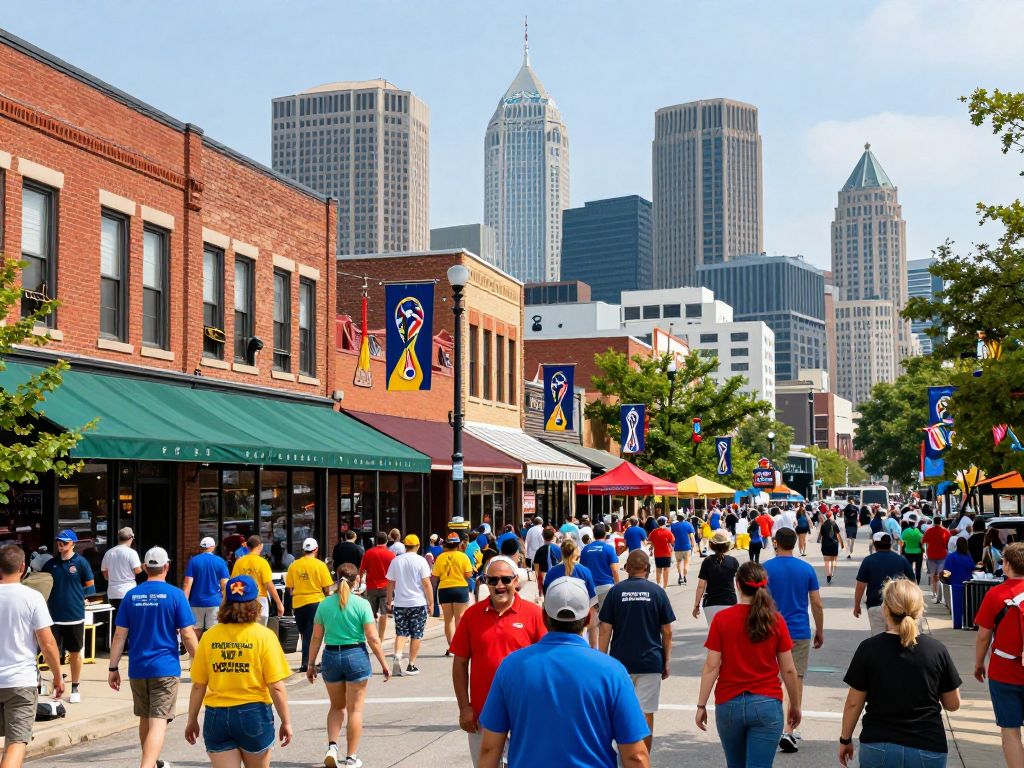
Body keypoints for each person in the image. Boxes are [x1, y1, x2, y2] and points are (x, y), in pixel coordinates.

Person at [477, 576, 651, 768]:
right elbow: (636, 755)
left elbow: (490, 748)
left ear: (544, 616)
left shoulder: (511, 667)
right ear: (588, 618)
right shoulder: (612, 671)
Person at [839, 579, 962, 768]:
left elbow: (854, 702)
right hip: (928, 745)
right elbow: (953, 704)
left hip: (878, 743)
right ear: (920, 610)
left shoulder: (869, 649)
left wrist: (845, 739)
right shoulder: (937, 650)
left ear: (885, 610)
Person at [695, 561, 802, 768]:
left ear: (737, 584)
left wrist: (701, 705)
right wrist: (795, 706)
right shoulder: (775, 620)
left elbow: (711, 667)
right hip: (767, 703)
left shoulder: (722, 619)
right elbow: (788, 669)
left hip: (729, 703)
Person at [185, 575, 293, 766]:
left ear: (225, 602)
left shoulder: (209, 637)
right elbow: (276, 686)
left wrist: (191, 719)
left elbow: (198, 685)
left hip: (216, 716)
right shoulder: (264, 636)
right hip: (254, 713)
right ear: (255, 604)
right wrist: (286, 722)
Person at [451, 555, 546, 767]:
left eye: (505, 579)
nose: (499, 585)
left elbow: (547, 663)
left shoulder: (534, 614)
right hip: (482, 714)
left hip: (525, 714)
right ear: (486, 582)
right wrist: (464, 707)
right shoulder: (471, 615)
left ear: (516, 581)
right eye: (493, 580)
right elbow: (459, 663)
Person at [109, 546, 198, 768]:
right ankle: (147, 765)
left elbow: (120, 635)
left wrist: (113, 667)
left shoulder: (131, 596)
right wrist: (199, 662)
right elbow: (187, 634)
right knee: (159, 721)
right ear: (166, 566)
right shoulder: (175, 595)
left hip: (138, 667)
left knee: (145, 717)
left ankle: (151, 761)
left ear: (146, 567)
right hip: (165, 667)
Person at [306, 563, 390, 768]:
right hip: (356, 655)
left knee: (336, 706)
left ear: (336, 578)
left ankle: (332, 747)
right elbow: (373, 638)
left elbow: (316, 638)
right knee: (355, 710)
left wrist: (310, 664)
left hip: (332, 655)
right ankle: (351, 757)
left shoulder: (324, 604)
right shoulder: (361, 604)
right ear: (357, 581)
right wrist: (384, 664)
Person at [599, 550, 675, 752]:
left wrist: (601, 660)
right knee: (646, 714)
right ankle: (642, 759)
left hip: (619, 663)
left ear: (627, 569)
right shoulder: (657, 592)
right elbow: (667, 631)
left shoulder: (616, 592)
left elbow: (605, 628)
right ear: (648, 569)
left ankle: (620, 756)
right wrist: (666, 660)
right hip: (650, 662)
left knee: (619, 712)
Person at [0, 544, 63, 768]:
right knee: (16, 741)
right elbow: (47, 643)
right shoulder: (32, 597)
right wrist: (58, 676)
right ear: (23, 567)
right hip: (20, 681)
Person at [764, 528, 824, 754]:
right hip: (798, 630)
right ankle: (789, 729)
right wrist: (819, 629)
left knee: (771, 679)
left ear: (776, 543)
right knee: (796, 677)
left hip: (770, 629)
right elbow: (816, 603)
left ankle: (772, 726)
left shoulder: (766, 569)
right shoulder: (806, 569)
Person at [975, 541, 1024, 767]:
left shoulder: (995, 594)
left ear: (1006, 565)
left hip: (1004, 671)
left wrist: (979, 663)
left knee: (1010, 730)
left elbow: (984, 635)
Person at [42, 529, 95, 703]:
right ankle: (58, 681)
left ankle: (75, 686)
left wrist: (84, 599)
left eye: (64, 542)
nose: (60, 544)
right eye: (59, 541)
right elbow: (42, 585)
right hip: (53, 615)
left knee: (75, 652)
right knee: (52, 652)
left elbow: (90, 585)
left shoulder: (81, 563)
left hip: (74, 615)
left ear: (73, 543)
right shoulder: (51, 564)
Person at [386, 534, 433, 676]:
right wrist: (431, 602)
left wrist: (389, 600)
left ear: (405, 546)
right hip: (418, 602)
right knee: (416, 634)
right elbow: (426, 583)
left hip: (400, 603)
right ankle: (411, 664)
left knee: (401, 632)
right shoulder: (421, 561)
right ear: (418, 546)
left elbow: (390, 583)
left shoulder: (396, 561)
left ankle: (397, 656)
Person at [285, 538, 334, 673]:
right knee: (311, 634)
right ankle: (308, 663)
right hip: (316, 602)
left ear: (303, 550)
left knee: (304, 634)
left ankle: (306, 662)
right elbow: (327, 588)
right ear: (316, 549)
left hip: (299, 603)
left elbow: (290, 588)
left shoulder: (294, 565)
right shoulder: (320, 565)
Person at [854, 532, 915, 635]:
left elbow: (861, 585)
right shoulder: (901, 560)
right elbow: (912, 584)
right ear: (890, 543)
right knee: (897, 638)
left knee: (878, 640)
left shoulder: (868, 561)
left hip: (875, 605)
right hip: (898, 606)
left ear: (875, 544)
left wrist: (857, 605)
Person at [544, 538, 599, 647]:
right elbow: (592, 601)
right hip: (579, 619)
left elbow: (547, 597)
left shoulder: (552, 572)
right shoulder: (585, 571)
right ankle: (594, 651)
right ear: (576, 552)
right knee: (594, 627)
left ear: (561, 551)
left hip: (556, 618)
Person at [432, 532, 475, 654]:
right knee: (459, 618)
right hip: (460, 588)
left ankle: (451, 646)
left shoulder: (440, 557)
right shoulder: (463, 557)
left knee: (448, 620)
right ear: (458, 544)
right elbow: (468, 575)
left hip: (444, 589)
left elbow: (434, 577)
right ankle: (459, 645)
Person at [232, 536, 285, 626]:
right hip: (260, 600)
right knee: (260, 630)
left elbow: (234, 584)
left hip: (243, 600)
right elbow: (269, 584)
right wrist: (279, 604)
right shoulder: (262, 562)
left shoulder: (239, 562)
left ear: (248, 546)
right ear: (260, 546)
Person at [183, 537, 230, 640]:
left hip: (196, 602)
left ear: (201, 547)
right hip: (215, 602)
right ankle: (211, 654)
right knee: (213, 631)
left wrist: (184, 602)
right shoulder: (220, 561)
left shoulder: (193, 561)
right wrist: (226, 601)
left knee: (196, 629)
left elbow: (187, 584)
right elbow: (224, 585)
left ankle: (194, 654)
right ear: (213, 547)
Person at [692, 530, 739, 626]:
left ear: (712, 546)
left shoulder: (707, 561)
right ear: (726, 546)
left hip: (711, 603)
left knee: (714, 634)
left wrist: (697, 605)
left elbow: (701, 586)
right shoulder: (733, 561)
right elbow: (740, 584)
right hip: (729, 601)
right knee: (728, 633)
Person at [358, 532, 396, 641]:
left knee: (371, 613)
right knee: (384, 612)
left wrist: (361, 583)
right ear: (387, 541)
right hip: (386, 587)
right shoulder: (391, 555)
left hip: (372, 586)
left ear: (375, 541)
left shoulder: (368, 553)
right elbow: (394, 572)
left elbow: (362, 570)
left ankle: (372, 635)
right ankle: (381, 637)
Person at [100, 527, 142, 616]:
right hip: (128, 590)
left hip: (112, 592)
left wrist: (112, 577)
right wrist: (143, 567)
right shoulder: (131, 553)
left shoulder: (109, 553)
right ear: (131, 538)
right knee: (129, 620)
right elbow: (138, 571)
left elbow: (104, 573)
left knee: (116, 620)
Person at [579, 524, 620, 612]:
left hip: (590, 588)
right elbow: (615, 570)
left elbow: (582, 569)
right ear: (605, 534)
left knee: (593, 619)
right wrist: (617, 586)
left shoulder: (585, 549)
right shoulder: (609, 548)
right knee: (606, 617)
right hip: (606, 586)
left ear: (593, 535)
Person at [943, 538, 976, 630]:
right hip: (967, 584)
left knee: (956, 607)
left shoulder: (951, 556)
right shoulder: (968, 556)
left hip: (955, 584)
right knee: (967, 606)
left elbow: (946, 571)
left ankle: (957, 625)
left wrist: (947, 581)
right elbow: (972, 567)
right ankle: (968, 624)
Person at [921, 517, 951, 603]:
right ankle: (939, 594)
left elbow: (923, 541)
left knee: (932, 575)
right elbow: (947, 544)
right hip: (942, 555)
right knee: (940, 576)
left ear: (934, 522)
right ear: (940, 522)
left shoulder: (929, 531)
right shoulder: (945, 531)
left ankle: (934, 593)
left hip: (931, 555)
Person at [532, 526, 560, 600]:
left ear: (543, 537)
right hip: (556, 575)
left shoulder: (539, 550)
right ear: (553, 536)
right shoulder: (558, 549)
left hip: (543, 576)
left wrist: (539, 585)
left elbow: (536, 567)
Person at [648, 516, 675, 589]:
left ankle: (659, 584)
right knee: (666, 570)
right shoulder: (668, 532)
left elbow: (650, 541)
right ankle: (665, 586)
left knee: (658, 569)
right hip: (667, 553)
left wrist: (652, 547)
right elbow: (672, 541)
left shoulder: (654, 532)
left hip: (657, 553)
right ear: (665, 523)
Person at [818, 511, 844, 585]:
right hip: (834, 544)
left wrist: (819, 542)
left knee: (826, 562)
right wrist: (842, 543)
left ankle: (828, 575)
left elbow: (821, 536)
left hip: (825, 545)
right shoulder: (834, 523)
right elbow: (838, 535)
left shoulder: (823, 525)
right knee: (833, 560)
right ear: (832, 516)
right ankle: (832, 573)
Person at [670, 512, 696, 585]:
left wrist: (672, 545)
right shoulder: (688, 524)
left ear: (677, 518)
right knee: (686, 563)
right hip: (687, 547)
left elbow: (672, 536)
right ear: (684, 518)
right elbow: (691, 536)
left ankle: (680, 576)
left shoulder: (673, 526)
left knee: (678, 562)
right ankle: (684, 576)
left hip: (677, 547)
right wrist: (693, 545)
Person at [900, 519, 924, 584]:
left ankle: (910, 582)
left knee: (908, 569)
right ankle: (918, 582)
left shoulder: (905, 531)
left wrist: (901, 552)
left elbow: (901, 542)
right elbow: (922, 541)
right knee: (918, 569)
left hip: (907, 552)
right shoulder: (918, 531)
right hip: (918, 552)